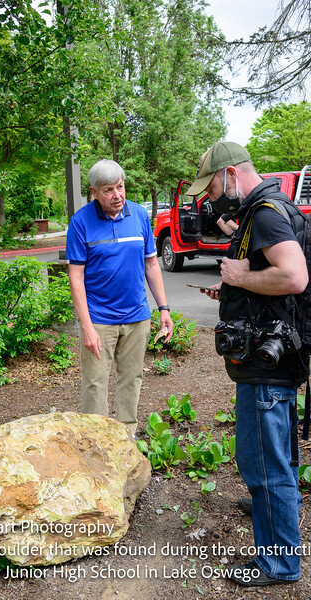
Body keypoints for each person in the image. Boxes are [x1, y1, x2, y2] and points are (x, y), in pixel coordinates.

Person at [187, 141, 309, 587]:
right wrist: (237, 293)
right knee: (279, 456)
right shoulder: (273, 207)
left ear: (233, 175)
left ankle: (278, 564)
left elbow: (294, 276)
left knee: (262, 461)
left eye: (214, 186)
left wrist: (238, 276)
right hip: (275, 352)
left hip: (267, 365)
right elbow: (276, 282)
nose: (211, 198)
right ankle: (277, 512)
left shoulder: (264, 213)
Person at [66, 159, 173, 435]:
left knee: (131, 379)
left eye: (121, 187)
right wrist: (87, 327)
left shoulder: (138, 215)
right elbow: (76, 277)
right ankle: (97, 442)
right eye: (109, 190)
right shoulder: (80, 223)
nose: (117, 196)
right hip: (99, 320)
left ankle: (126, 439)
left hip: (137, 317)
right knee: (94, 383)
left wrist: (163, 308)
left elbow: (151, 264)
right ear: (94, 192)